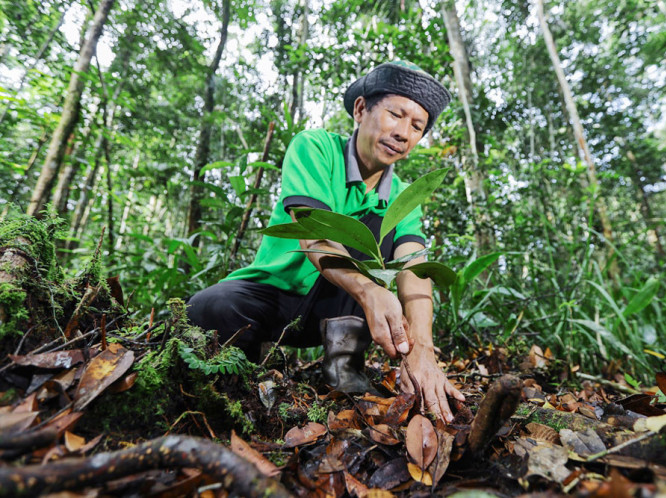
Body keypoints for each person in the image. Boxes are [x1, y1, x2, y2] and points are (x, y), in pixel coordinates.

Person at [187, 61, 465, 422]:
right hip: (276, 294)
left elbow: (414, 261)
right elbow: (313, 234)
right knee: (207, 308)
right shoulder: (315, 147)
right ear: (361, 109)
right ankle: (245, 369)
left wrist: (424, 349)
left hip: (338, 309)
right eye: (396, 115)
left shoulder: (401, 195)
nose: (403, 133)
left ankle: (344, 365)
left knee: (382, 226)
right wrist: (370, 290)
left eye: (416, 127)